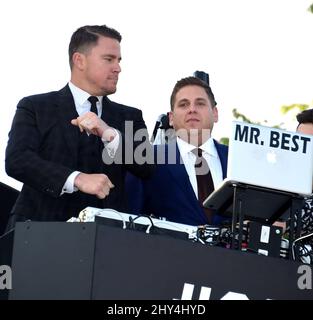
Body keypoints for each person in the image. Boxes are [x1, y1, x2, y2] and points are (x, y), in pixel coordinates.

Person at [5, 24, 153, 227]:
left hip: (106, 240)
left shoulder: (130, 116)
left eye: (118, 60)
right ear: (79, 60)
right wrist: (76, 179)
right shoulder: (35, 106)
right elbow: (17, 160)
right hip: (37, 232)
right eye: (109, 59)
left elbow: (147, 166)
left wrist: (108, 133)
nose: (118, 67)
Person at [126, 76, 228, 226]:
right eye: (183, 104)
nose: (192, 109)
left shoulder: (238, 160)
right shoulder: (147, 158)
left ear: (215, 113)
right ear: (171, 118)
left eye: (200, 103)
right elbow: (129, 218)